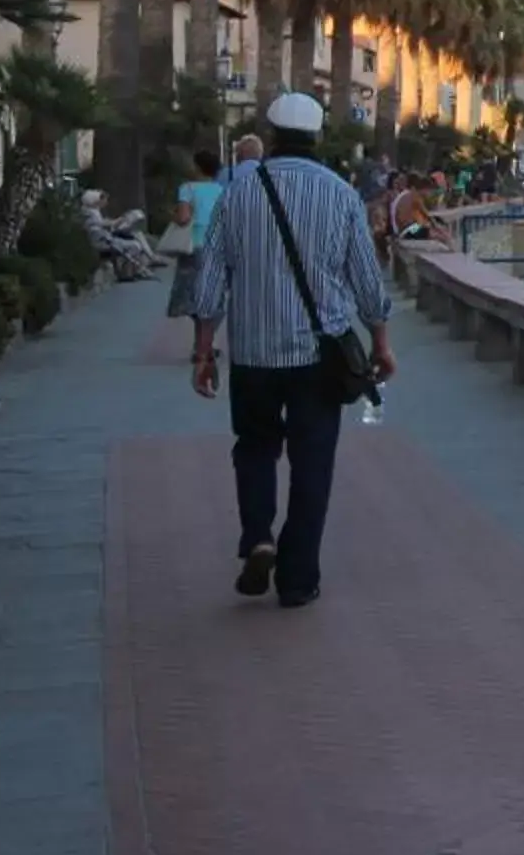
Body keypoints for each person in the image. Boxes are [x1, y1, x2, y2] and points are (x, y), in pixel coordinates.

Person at [189, 92, 395, 609]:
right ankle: (298, 579)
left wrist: (204, 349)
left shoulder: (238, 193)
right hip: (317, 356)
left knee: (255, 447)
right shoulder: (341, 195)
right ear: (318, 136)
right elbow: (367, 282)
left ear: (272, 133)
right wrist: (381, 341)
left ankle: (258, 535)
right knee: (312, 463)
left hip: (254, 353)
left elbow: (210, 277)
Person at [163, 148, 227, 318]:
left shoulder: (187, 188)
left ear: (198, 167)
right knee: (210, 293)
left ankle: (197, 340)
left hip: (193, 244)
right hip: (215, 244)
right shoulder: (222, 190)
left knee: (188, 292)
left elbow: (183, 218)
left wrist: (172, 215)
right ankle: (204, 342)